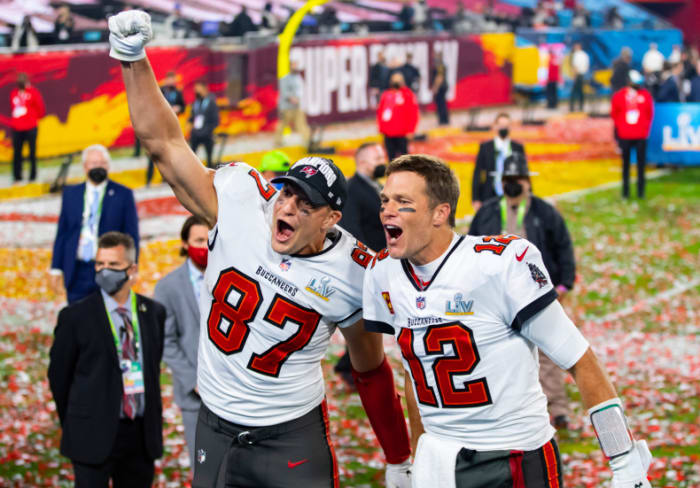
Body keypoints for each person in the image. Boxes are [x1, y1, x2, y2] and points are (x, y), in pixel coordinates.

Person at [108, 11, 412, 488]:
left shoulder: (353, 272)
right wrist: (133, 59)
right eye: (286, 192)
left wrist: (398, 457)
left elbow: (370, 370)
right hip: (214, 421)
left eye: (304, 203)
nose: (286, 206)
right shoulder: (243, 201)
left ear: (331, 219)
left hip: (290, 434)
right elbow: (163, 143)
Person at [364, 153, 654, 488]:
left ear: (440, 213)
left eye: (403, 201)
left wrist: (624, 460)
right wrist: (413, 456)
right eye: (385, 199)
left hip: (514, 454)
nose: (387, 209)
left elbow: (580, 359)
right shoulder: (383, 272)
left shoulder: (499, 265)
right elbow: (414, 374)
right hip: (438, 459)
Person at [48, 232, 165, 488]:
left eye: (113, 265)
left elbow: (153, 370)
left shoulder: (153, 313)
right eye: (100, 264)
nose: (104, 271)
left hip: (140, 437)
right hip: (92, 434)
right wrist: (77, 420)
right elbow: (59, 377)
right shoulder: (75, 317)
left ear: (131, 269)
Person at [468, 153, 576, 429]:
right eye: (508, 180)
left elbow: (563, 247)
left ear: (528, 182)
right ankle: (502, 408)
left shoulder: (544, 212)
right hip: (495, 297)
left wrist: (564, 284)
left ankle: (558, 408)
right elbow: (469, 250)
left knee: (548, 353)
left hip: (538, 294)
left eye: (517, 179)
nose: (513, 184)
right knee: (496, 351)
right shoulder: (487, 212)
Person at [51, 144, 140, 303]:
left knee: (107, 320)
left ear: (109, 166)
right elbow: (63, 233)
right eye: (94, 163)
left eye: (103, 163)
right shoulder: (71, 194)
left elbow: (131, 235)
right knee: (78, 320)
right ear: (85, 166)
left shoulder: (123, 194)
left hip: (111, 269)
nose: (99, 167)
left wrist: (133, 267)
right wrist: (56, 268)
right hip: (76, 270)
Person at [154, 216, 209, 468]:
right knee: (203, 466)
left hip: (234, 388)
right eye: (198, 240)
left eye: (208, 240)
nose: (204, 245)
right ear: (185, 243)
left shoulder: (233, 277)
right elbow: (166, 340)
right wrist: (193, 380)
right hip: (194, 395)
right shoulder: (167, 287)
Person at [334, 142, 388, 386]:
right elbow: (352, 230)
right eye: (377, 156)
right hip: (366, 267)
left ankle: (350, 365)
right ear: (362, 162)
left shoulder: (376, 186)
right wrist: (371, 261)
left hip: (381, 263)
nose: (382, 159)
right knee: (363, 320)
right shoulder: (352, 189)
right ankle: (350, 367)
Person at [611, 70, 653, 199]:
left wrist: (644, 130)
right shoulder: (620, 96)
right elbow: (615, 114)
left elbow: (649, 114)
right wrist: (620, 130)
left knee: (641, 166)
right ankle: (626, 192)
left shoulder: (645, 96)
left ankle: (641, 192)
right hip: (626, 135)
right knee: (626, 166)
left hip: (640, 135)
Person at [471, 113, 525, 212]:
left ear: (510, 127)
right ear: (495, 126)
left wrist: (528, 196)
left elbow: (524, 174)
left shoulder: (518, 148)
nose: (503, 128)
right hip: (489, 195)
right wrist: (475, 198)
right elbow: (477, 173)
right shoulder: (485, 147)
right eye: (501, 125)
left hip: (512, 195)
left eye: (506, 125)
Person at [146, 71, 185, 185]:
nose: (171, 82)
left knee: (168, 153)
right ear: (166, 80)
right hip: (157, 126)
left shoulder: (178, 92)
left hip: (170, 127)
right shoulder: (160, 90)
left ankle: (166, 179)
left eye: (173, 80)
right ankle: (148, 179)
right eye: (169, 79)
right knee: (153, 153)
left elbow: (183, 106)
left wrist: (178, 109)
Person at [9, 72, 44, 184]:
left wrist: (31, 118)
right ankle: (17, 176)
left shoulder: (33, 92)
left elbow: (40, 109)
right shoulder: (14, 93)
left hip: (31, 127)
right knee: (17, 154)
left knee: (32, 153)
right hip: (17, 128)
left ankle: (32, 176)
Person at [377, 71, 419, 160]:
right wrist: (381, 128)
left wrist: (411, 130)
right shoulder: (386, 94)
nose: (396, 82)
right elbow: (380, 112)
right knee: (390, 157)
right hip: (388, 133)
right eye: (394, 80)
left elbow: (413, 113)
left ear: (402, 81)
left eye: (398, 80)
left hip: (402, 133)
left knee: (404, 159)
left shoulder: (408, 94)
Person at [275, 60, 311, 149]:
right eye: (293, 65)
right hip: (286, 107)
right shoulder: (285, 78)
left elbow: (301, 91)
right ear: (290, 66)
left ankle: (307, 141)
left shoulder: (298, 78)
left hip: (297, 106)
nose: (295, 67)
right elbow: (284, 92)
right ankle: (277, 142)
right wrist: (292, 98)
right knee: (282, 124)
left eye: (296, 65)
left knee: (301, 124)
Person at [189, 81, 220, 168]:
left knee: (209, 158)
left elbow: (215, 120)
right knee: (192, 156)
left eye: (198, 89)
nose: (196, 91)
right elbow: (193, 117)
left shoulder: (211, 102)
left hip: (207, 134)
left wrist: (208, 130)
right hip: (196, 134)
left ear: (204, 89)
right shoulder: (196, 102)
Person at [570, 42, 589, 112]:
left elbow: (575, 66)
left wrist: (574, 76)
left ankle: (572, 108)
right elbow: (587, 66)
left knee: (573, 92)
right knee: (581, 92)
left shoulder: (576, 55)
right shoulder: (585, 55)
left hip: (578, 75)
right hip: (582, 75)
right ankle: (581, 107)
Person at [431, 51, 450, 125]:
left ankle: (443, 120)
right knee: (443, 103)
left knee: (441, 104)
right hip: (443, 86)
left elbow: (439, 77)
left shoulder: (439, 65)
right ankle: (444, 120)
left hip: (441, 87)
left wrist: (435, 87)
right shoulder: (442, 65)